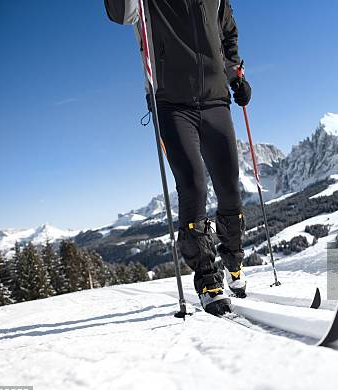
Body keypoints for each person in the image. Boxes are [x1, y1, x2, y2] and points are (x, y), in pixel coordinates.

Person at [104, 0, 250, 316]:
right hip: (171, 103)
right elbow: (120, 13)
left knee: (229, 188)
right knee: (193, 186)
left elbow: (227, 32)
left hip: (215, 100)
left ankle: (234, 262)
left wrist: (235, 73)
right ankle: (209, 283)